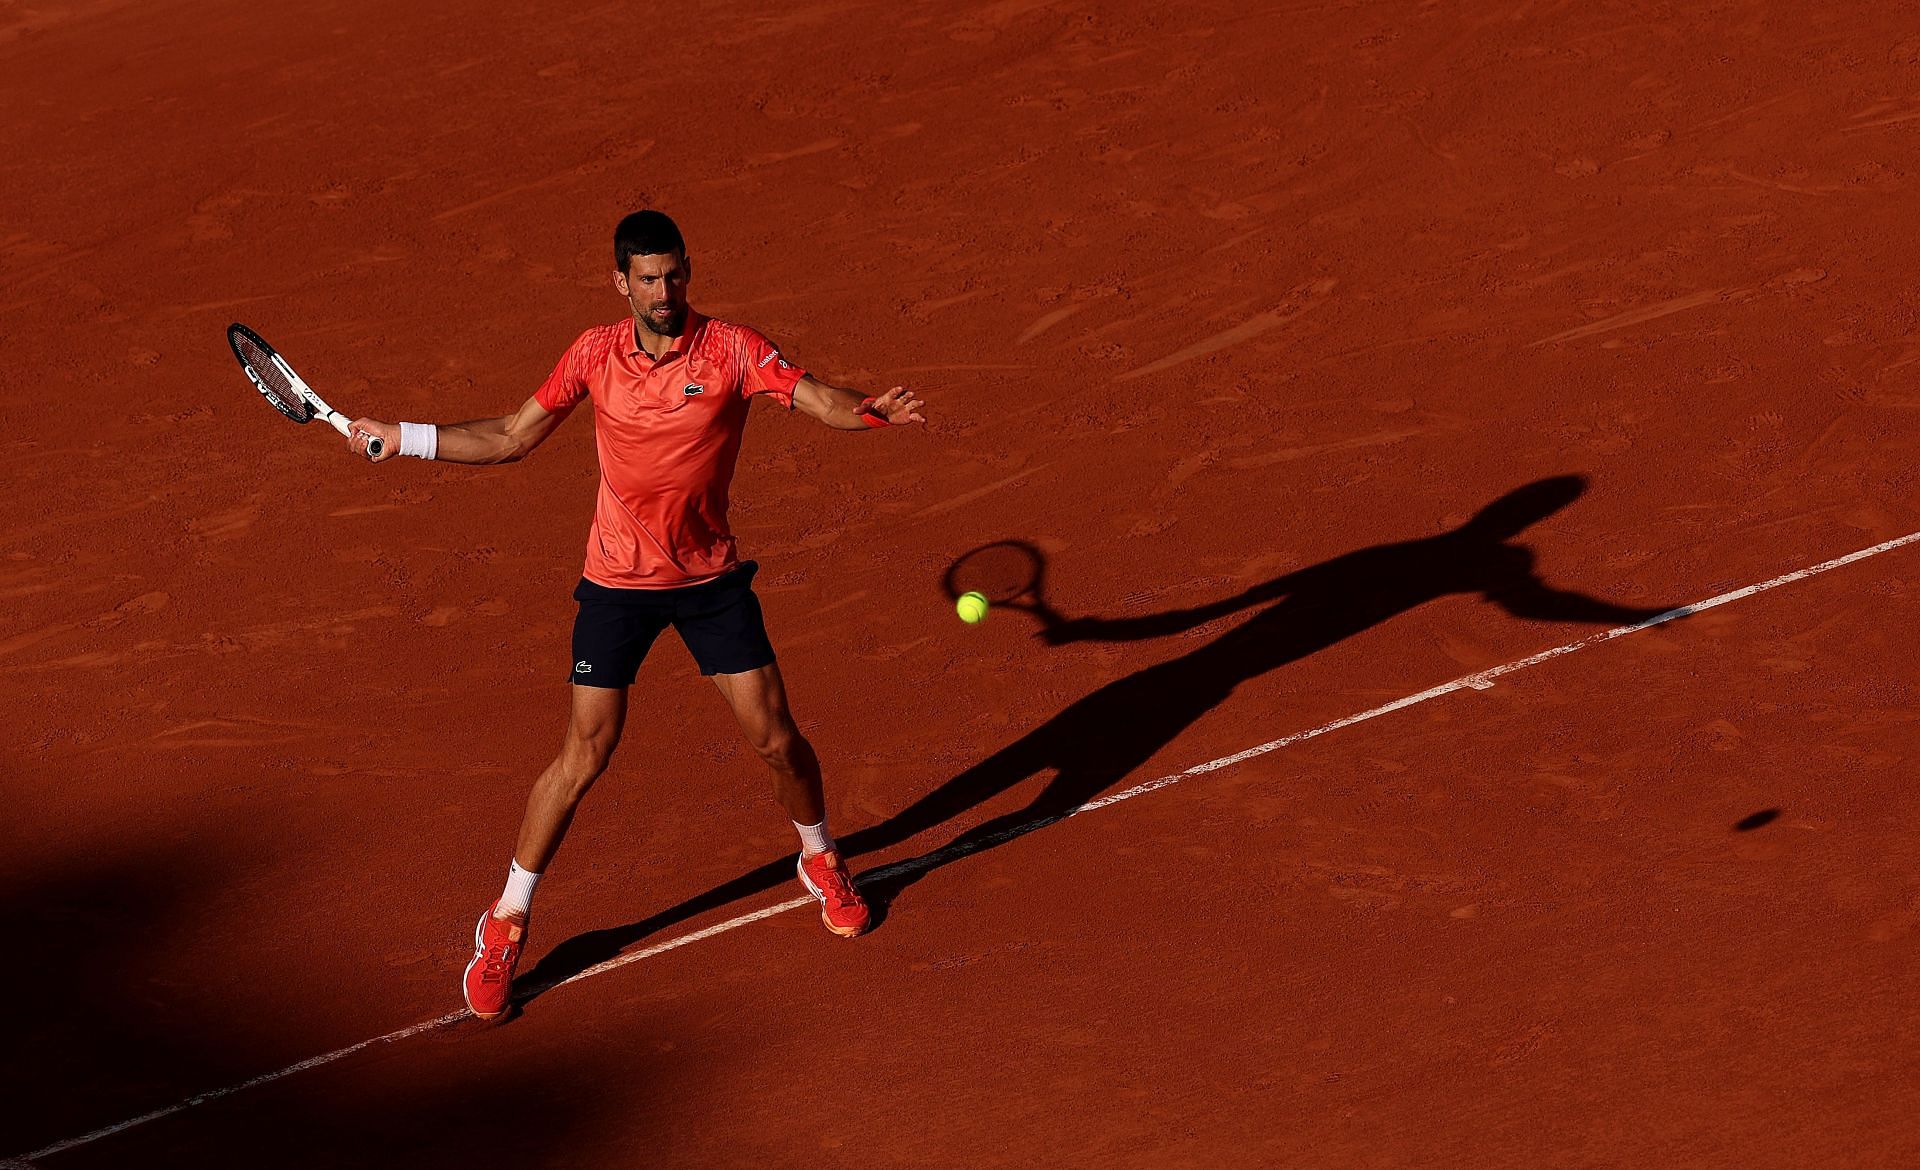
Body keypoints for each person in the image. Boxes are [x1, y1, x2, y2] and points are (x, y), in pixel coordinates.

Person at [347, 210, 926, 1020]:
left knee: (775, 737)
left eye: (675, 275)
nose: (665, 292)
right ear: (622, 282)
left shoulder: (730, 348)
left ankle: (821, 857)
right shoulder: (592, 354)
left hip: (707, 581)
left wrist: (870, 409)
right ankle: (506, 920)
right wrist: (404, 437)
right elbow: (513, 437)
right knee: (585, 752)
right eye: (649, 279)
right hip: (617, 582)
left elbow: (816, 396)